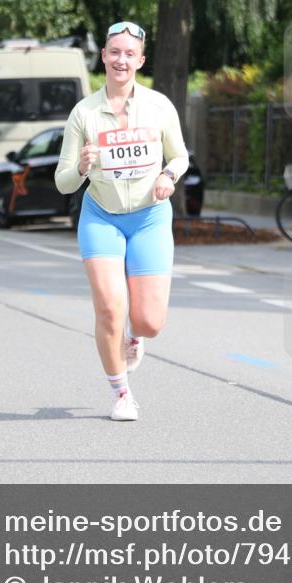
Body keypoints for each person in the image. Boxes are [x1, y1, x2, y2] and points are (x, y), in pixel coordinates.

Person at [55, 22, 189, 421]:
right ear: (104, 57)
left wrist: (168, 177)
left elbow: (180, 156)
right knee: (110, 310)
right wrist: (80, 166)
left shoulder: (159, 106)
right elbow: (63, 183)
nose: (121, 60)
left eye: (130, 54)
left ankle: (135, 338)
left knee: (149, 322)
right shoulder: (83, 112)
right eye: (115, 52)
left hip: (149, 217)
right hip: (101, 217)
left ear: (140, 61)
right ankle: (121, 394)